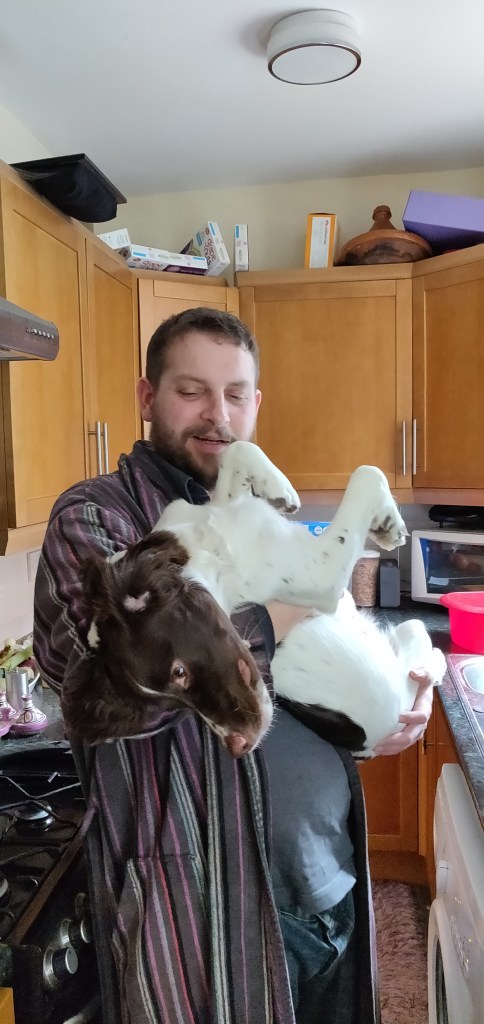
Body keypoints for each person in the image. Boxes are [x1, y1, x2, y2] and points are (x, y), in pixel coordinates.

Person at [33, 307, 435, 1024]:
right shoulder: (97, 521)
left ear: (256, 403)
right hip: (205, 897)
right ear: (146, 396)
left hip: (328, 873)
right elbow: (96, 676)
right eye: (191, 390)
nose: (216, 415)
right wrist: (279, 619)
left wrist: (392, 698)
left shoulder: (253, 508)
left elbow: (311, 651)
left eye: (236, 393)